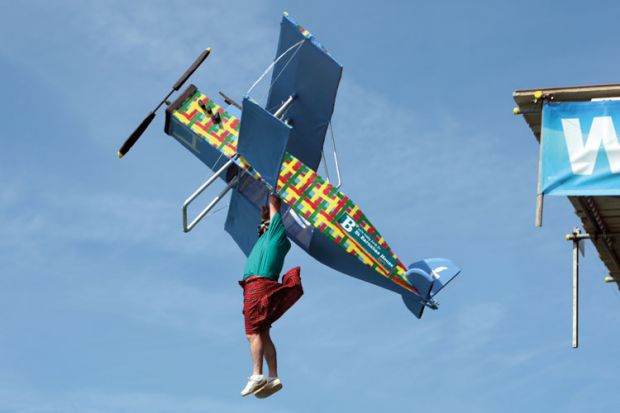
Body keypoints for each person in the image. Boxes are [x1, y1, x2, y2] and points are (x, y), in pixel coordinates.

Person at [238, 193, 303, 398]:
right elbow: (265, 225)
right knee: (263, 333)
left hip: (258, 285)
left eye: (264, 228)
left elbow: (275, 203)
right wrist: (263, 218)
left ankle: (257, 375)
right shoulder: (267, 238)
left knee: (252, 333)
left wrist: (272, 188)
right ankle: (273, 377)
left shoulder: (277, 235)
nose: (261, 231)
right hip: (257, 286)